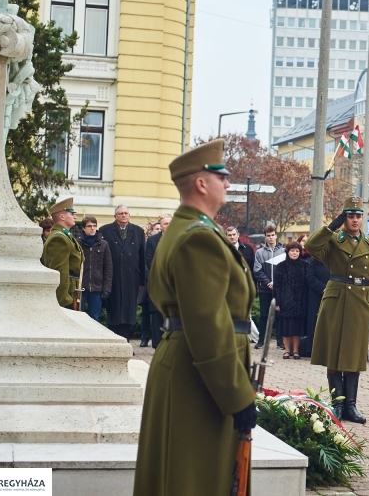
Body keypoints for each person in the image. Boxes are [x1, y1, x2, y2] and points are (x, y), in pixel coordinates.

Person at [134, 138, 257, 496]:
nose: (228, 184)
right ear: (202, 183)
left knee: (182, 476)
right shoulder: (198, 238)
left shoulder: (191, 230)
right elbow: (209, 327)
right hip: (199, 375)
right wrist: (238, 397)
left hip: (192, 367)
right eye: (222, 176)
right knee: (193, 479)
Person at [304, 196, 369, 424]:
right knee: (334, 354)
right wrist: (331, 227)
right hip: (336, 301)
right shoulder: (333, 241)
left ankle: (351, 405)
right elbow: (310, 246)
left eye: (358, 216)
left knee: (354, 356)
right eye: (350, 216)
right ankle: (337, 403)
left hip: (360, 302)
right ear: (344, 218)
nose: (355, 220)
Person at [100, 205, 146, 341]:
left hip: (131, 278)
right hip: (113, 278)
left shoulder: (138, 231)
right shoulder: (105, 230)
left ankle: (125, 341)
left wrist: (142, 281)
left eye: (126, 213)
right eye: (120, 213)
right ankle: (114, 342)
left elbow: (142, 257)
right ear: (115, 216)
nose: (124, 215)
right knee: (114, 310)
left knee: (128, 311)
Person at [41, 198, 84, 309]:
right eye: (72, 213)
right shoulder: (59, 238)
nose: (75, 216)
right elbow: (60, 272)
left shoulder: (64, 235)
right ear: (62, 216)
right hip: (65, 296)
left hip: (72, 291)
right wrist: (64, 300)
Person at [274, 241, 308, 359]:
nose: (295, 253)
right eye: (292, 251)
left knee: (297, 328)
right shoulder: (280, 266)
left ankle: (296, 351)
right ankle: (287, 351)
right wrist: (277, 302)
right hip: (285, 301)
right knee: (286, 327)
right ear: (287, 252)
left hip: (299, 301)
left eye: (297, 251)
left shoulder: (305, 265)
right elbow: (277, 286)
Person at [253, 225, 284, 349]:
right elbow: (257, 270)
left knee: (279, 315)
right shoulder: (260, 253)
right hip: (265, 289)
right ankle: (261, 341)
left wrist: (276, 282)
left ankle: (280, 341)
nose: (270, 238)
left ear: (276, 235)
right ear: (265, 237)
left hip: (279, 289)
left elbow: (285, 270)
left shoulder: (283, 251)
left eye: (272, 235)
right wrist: (267, 282)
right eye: (268, 236)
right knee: (264, 315)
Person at [77, 216, 113, 321]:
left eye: (94, 226)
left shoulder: (104, 244)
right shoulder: (78, 243)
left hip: (97, 288)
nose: (92, 228)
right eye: (89, 226)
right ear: (83, 228)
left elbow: (108, 268)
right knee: (78, 317)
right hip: (81, 288)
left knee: (94, 318)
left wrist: (107, 288)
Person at [144, 216, 171, 349]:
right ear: (161, 226)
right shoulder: (153, 241)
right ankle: (157, 344)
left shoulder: (180, 238)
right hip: (158, 282)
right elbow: (149, 260)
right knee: (156, 315)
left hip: (174, 285)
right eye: (165, 223)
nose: (168, 225)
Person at [304, 255, 330, 358]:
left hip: (331, 294)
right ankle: (312, 349)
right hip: (316, 295)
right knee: (314, 322)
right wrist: (323, 288)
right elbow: (310, 278)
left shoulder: (333, 260)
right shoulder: (312, 261)